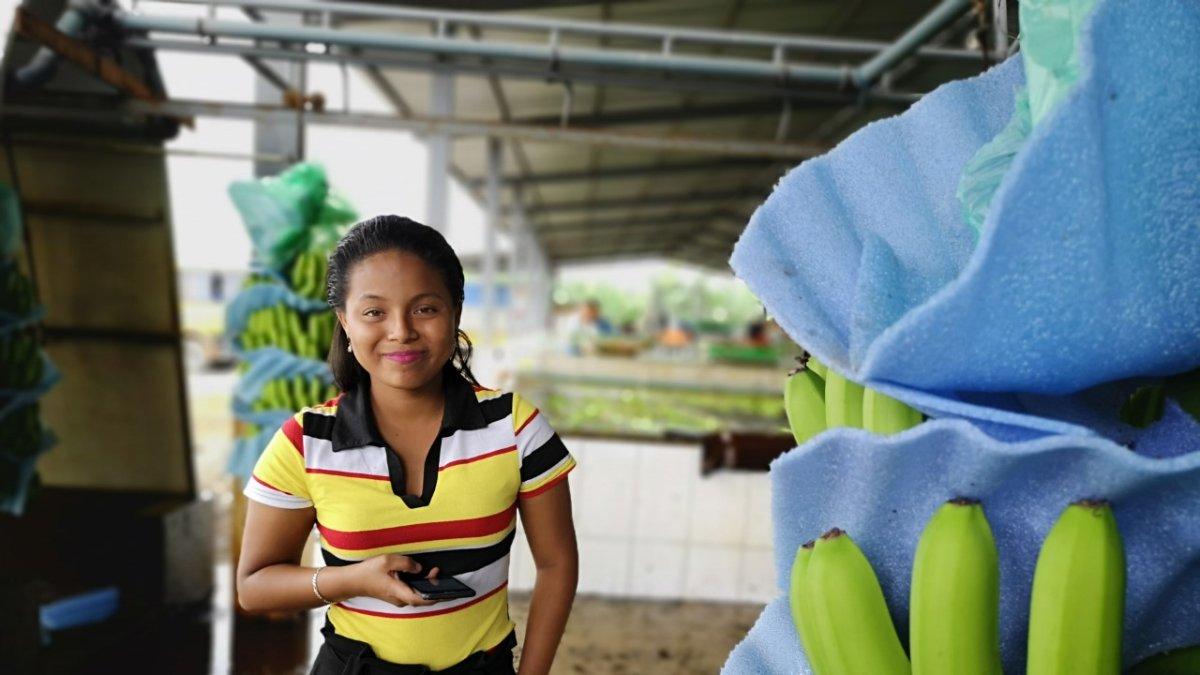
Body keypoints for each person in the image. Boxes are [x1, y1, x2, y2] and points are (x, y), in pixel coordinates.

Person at [237, 216, 579, 674]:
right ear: (345, 321)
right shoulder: (306, 442)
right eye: (374, 312)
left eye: (425, 308)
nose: (401, 331)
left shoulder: (515, 428)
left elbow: (557, 565)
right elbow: (254, 587)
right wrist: (355, 579)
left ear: (455, 312)